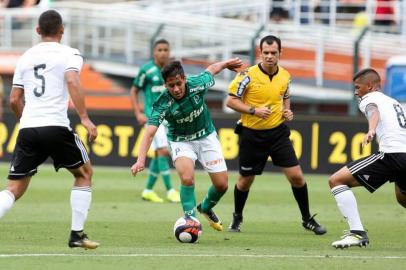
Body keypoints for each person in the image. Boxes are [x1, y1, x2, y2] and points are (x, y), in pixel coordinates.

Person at [0, 10, 99, 249]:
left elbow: (14, 99)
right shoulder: (70, 53)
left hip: (28, 129)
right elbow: (72, 80)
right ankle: (77, 235)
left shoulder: (24, 57)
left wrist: (27, 120)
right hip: (55, 125)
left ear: (37, 31)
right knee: (83, 173)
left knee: (14, 188)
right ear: (62, 30)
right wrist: (85, 118)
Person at [226, 35, 326, 235]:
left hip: (278, 133)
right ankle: (237, 217)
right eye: (266, 53)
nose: (269, 56)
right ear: (260, 53)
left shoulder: (285, 75)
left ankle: (307, 219)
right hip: (252, 134)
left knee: (297, 177)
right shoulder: (247, 75)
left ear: (280, 53)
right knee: (246, 180)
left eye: (273, 53)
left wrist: (287, 111)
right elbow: (231, 101)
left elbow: (285, 95)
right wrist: (254, 110)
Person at [131, 58, 243, 231]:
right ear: (165, 85)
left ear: (184, 79)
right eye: (170, 86)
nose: (175, 89)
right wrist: (140, 160)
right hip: (180, 141)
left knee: (222, 185)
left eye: (178, 83)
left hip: (206, 136)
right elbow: (150, 132)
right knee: (187, 177)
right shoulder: (163, 102)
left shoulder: (197, 84)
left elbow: (212, 69)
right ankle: (190, 219)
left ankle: (205, 208)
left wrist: (226, 64)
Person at [329, 68, 406, 248]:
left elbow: (373, 112)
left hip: (391, 155)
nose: (356, 92)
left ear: (370, 86)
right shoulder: (393, 101)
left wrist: (371, 129)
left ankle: (357, 234)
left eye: (358, 87)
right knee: (402, 197)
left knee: (336, 180)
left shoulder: (369, 99)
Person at [130, 39, 180, 203]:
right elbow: (134, 90)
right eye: (160, 50)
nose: (163, 53)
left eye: (166, 50)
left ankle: (148, 190)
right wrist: (138, 112)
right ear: (154, 52)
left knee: (160, 153)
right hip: (153, 116)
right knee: (164, 151)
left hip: (169, 116)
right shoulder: (147, 69)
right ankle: (171, 190)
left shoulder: (172, 71)